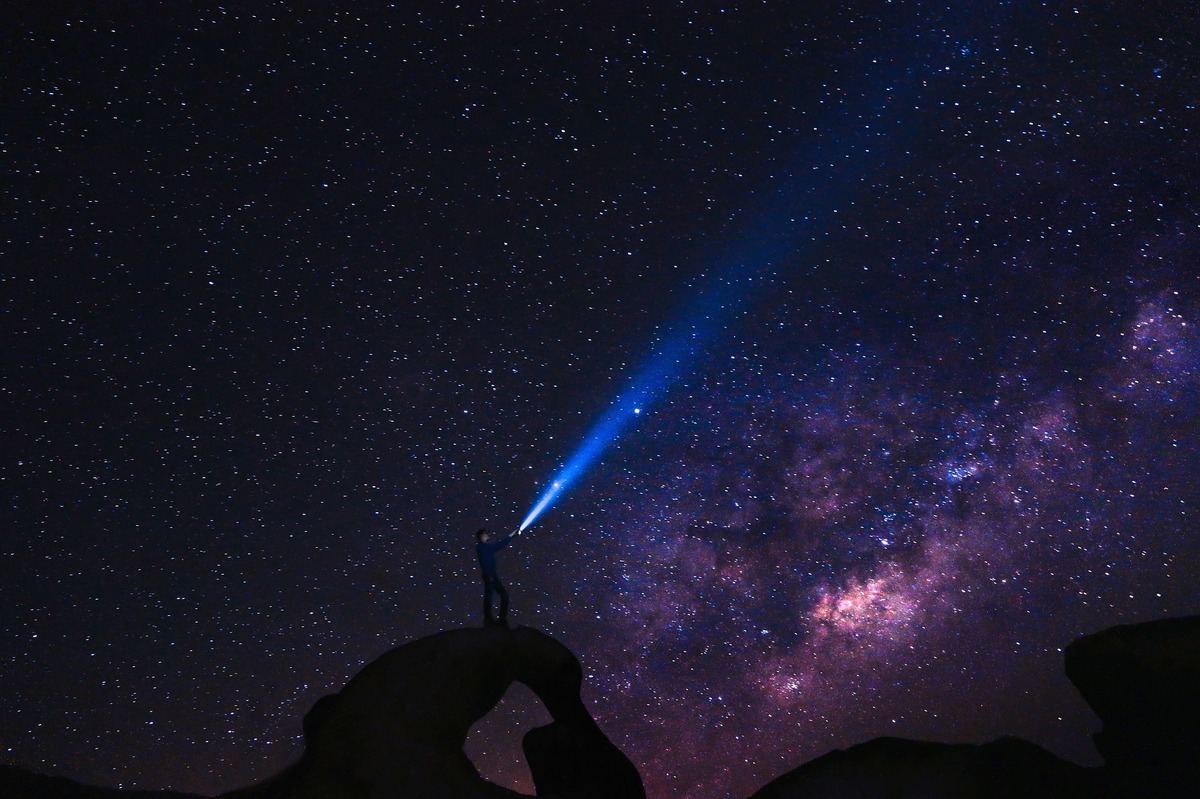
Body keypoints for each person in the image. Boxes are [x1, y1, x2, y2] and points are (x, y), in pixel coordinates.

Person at [475, 527, 517, 627]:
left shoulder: (486, 547)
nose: (488, 535)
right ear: (481, 535)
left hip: (492, 575)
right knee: (489, 597)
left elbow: (501, 544)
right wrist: (489, 575)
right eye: (486, 533)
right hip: (489, 575)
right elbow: (499, 545)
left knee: (503, 595)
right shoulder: (481, 547)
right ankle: (489, 620)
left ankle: (500, 619)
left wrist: (512, 535)